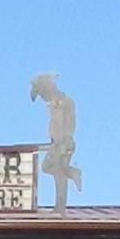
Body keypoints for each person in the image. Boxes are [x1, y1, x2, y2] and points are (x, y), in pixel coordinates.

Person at [31, 71, 83, 211]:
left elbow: (66, 124)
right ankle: (71, 172)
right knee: (47, 167)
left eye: (41, 93)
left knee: (59, 174)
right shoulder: (55, 103)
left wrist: (61, 142)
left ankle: (60, 207)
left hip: (63, 142)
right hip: (57, 142)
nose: (42, 97)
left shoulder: (62, 103)